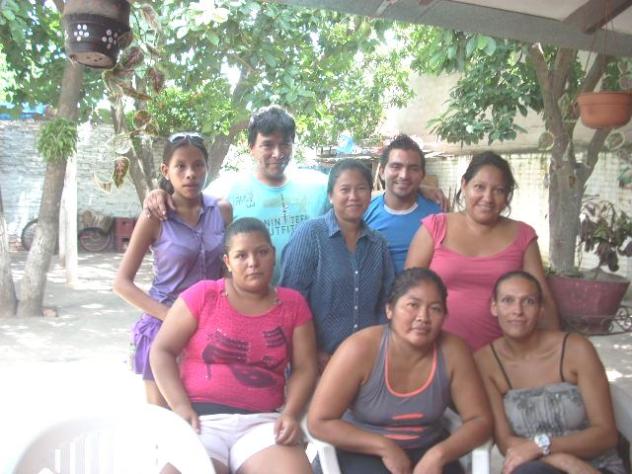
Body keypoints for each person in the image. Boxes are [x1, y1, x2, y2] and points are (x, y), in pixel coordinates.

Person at [150, 217, 318, 474]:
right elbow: (162, 350)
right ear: (227, 262)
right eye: (241, 255)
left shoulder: (292, 304)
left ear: (273, 255)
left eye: (262, 252)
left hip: (263, 423)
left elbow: (305, 367)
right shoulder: (203, 295)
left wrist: (291, 413)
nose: (253, 262)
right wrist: (180, 406)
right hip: (201, 421)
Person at [307, 268, 493, 474]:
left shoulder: (454, 351)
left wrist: (438, 454)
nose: (423, 317)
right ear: (389, 309)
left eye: (435, 308)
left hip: (428, 448)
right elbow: (319, 422)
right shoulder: (360, 349)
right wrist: (384, 447)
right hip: (361, 448)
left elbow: (480, 421)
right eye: (413, 305)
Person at [143, 105, 329, 283]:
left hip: (309, 300)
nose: (277, 153)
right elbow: (186, 202)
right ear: (251, 148)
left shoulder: (320, 186)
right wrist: (159, 195)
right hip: (248, 301)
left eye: (285, 144)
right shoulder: (225, 189)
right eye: (267, 145)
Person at [113, 133, 232, 406]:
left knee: (205, 416)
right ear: (166, 170)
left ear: (207, 167)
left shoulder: (222, 211)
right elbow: (121, 283)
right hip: (162, 328)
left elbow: (228, 271)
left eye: (198, 165)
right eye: (180, 166)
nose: (190, 173)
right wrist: (173, 317)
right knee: (163, 421)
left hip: (210, 328)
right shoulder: (155, 217)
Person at [405, 151, 559, 351]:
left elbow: (542, 298)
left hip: (503, 357)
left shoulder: (523, 235)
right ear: (464, 185)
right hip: (436, 353)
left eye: (498, 190)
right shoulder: (434, 228)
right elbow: (406, 293)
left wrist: (555, 353)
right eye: (479, 187)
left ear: (507, 195)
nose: (488, 198)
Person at [475, 271, 626, 474]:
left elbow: (606, 434)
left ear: (541, 309)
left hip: (595, 467)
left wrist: (542, 446)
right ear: (494, 307)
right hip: (535, 467)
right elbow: (505, 441)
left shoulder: (575, 349)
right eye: (507, 301)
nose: (517, 310)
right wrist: (560, 459)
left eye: (528, 301)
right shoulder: (485, 362)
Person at [279, 159, 395, 371]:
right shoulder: (310, 234)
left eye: (361, 189)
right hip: (314, 363)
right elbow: (290, 300)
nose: (354, 196)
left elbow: (386, 303)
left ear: (370, 195)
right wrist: (313, 352)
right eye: (345, 189)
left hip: (367, 362)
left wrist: (377, 348)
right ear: (331, 195)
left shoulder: (378, 244)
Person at [364, 134, 441, 273]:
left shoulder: (438, 215)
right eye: (396, 167)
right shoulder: (364, 212)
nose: (404, 175)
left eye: (413, 168)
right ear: (382, 172)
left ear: (422, 174)